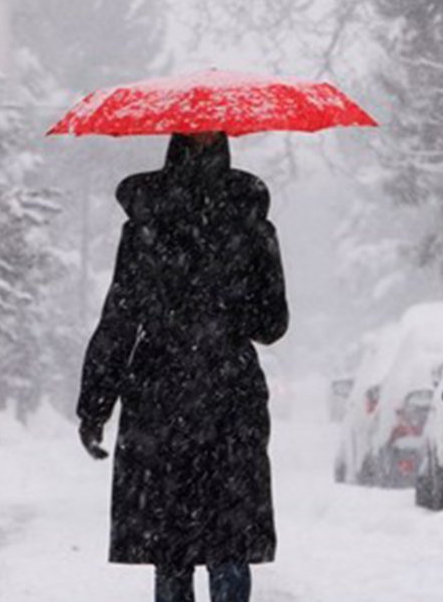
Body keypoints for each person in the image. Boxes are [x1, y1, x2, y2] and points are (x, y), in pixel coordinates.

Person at [76, 132, 289, 602]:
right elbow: (273, 324)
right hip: (229, 392)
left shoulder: (145, 223)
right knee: (229, 538)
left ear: (172, 147)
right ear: (224, 148)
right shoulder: (251, 223)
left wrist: (94, 408)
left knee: (169, 542)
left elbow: (120, 320)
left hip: (159, 394)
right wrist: (229, 304)